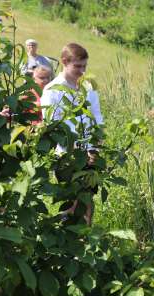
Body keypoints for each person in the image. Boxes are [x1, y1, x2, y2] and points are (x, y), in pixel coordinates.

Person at [41, 43, 103, 224]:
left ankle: (85, 241)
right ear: (64, 62)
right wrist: (76, 149)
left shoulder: (89, 89)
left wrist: (94, 149)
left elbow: (97, 119)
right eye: (77, 66)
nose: (82, 71)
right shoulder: (52, 90)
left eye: (84, 66)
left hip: (90, 154)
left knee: (87, 201)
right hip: (66, 157)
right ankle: (65, 242)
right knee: (71, 203)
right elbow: (52, 125)